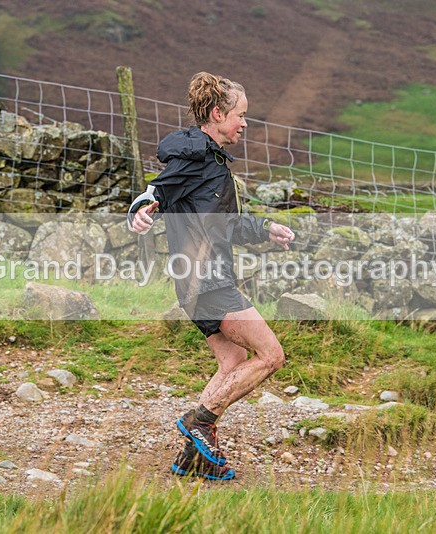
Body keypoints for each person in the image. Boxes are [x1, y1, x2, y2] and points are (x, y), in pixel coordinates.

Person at [129, 72, 295, 480]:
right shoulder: (197, 158)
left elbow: (225, 224)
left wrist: (264, 230)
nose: (244, 123)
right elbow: (157, 191)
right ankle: (200, 421)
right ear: (218, 114)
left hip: (198, 282)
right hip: (207, 281)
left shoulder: (212, 161)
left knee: (233, 360)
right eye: (240, 115)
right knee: (271, 355)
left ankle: (195, 457)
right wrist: (140, 208)